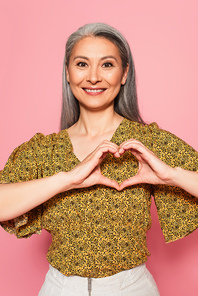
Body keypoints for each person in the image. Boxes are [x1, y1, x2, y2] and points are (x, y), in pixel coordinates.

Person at [0, 23, 198, 296]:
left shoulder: (146, 143)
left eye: (107, 65)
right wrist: (67, 180)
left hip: (132, 288)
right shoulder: (44, 150)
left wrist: (171, 175)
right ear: (68, 73)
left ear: (125, 73)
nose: (93, 77)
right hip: (60, 289)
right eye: (82, 64)